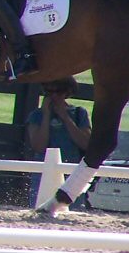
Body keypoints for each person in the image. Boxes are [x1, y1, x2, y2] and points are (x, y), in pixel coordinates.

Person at [26, 77, 91, 209]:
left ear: (67, 92)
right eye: (49, 92)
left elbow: (85, 143)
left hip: (72, 171)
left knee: (74, 210)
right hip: (43, 171)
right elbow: (39, 146)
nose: (54, 96)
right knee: (40, 207)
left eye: (58, 92)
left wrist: (65, 117)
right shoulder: (36, 116)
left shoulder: (79, 113)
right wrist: (46, 115)